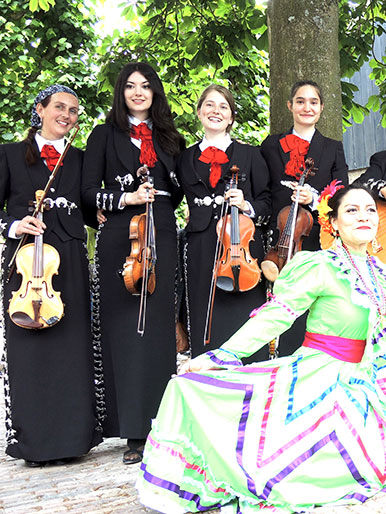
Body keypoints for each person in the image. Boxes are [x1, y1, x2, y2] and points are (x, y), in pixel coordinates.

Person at [136, 183, 386, 513]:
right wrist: (223, 355)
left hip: (368, 373)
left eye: (370, 210)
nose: (364, 216)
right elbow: (276, 315)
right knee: (304, 468)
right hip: (321, 373)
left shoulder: (380, 272)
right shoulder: (321, 266)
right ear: (334, 223)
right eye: (351, 211)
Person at [82, 62, 184, 465]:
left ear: (155, 92)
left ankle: (163, 424)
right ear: (120, 92)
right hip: (120, 239)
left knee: (157, 333)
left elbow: (177, 192)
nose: (138, 92)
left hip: (160, 231)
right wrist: (124, 200)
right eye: (130, 86)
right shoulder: (102, 135)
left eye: (145, 86)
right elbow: (88, 192)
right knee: (125, 332)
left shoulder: (169, 137)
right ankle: (133, 431)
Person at [0, 85, 102, 467]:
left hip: (69, 263)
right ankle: (35, 443)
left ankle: (73, 438)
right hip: (27, 265)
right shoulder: (9, 155)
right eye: (59, 107)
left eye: (74, 111)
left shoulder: (81, 158)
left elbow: (91, 207)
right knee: (29, 349)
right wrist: (13, 225)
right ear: (39, 109)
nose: (67, 115)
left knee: (72, 348)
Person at [177, 85, 271, 358]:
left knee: (244, 324)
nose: (215, 111)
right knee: (205, 324)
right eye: (209, 105)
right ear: (199, 112)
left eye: (223, 107)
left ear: (231, 117)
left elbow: (267, 202)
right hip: (201, 247)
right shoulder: (184, 159)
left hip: (241, 248)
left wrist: (246, 205)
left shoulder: (251, 155)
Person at [259, 80, 348, 356]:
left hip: (315, 240)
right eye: (300, 101)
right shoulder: (271, 145)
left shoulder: (333, 147)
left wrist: (316, 198)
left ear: (321, 108)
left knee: (314, 307)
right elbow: (261, 189)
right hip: (278, 241)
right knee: (280, 306)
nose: (306, 107)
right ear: (290, 106)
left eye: (313, 102)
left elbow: (343, 193)